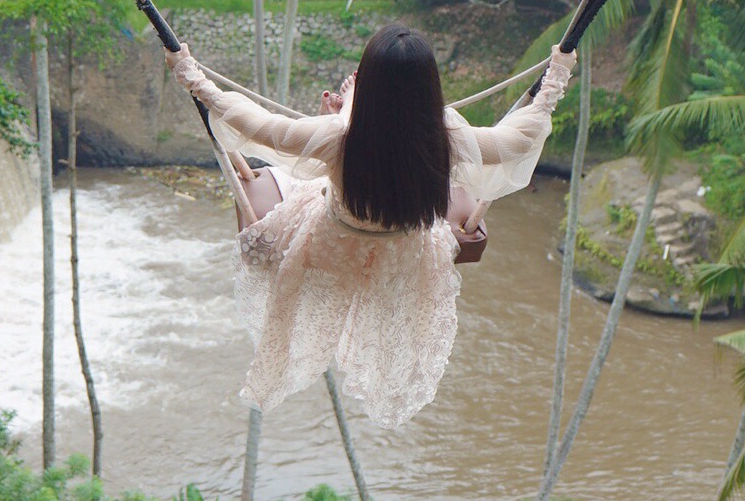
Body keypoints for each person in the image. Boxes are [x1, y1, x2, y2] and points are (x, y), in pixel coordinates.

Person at [166, 22, 576, 427]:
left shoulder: (337, 140)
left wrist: (192, 77)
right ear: (430, 89)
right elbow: (519, 138)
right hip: (407, 254)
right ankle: (354, 102)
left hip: (332, 244)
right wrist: (556, 77)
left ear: (371, 89)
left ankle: (353, 100)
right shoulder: (445, 139)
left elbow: (256, 125)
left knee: (296, 182)